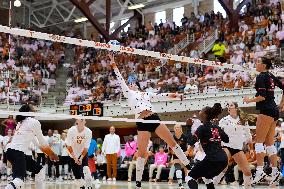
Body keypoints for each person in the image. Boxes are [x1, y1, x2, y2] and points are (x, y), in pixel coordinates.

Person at [109, 54, 191, 189]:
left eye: (133, 83)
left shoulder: (146, 93)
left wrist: (176, 96)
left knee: (172, 142)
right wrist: (114, 65)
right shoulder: (128, 93)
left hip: (153, 117)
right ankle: (138, 182)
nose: (131, 84)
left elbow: (161, 96)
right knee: (141, 153)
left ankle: (188, 165)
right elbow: (121, 80)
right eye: (130, 84)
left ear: (137, 85)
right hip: (142, 122)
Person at [243, 57, 284, 186]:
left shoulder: (261, 76)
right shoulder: (271, 75)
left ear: (264, 65)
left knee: (259, 142)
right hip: (274, 111)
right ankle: (275, 171)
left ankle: (260, 171)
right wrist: (282, 104)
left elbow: (262, 96)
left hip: (266, 110)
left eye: (259, 62)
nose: (256, 63)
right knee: (269, 143)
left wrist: (249, 100)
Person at [5, 104, 58, 189]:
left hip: (11, 152)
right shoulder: (34, 122)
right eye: (33, 108)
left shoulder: (21, 122)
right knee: (19, 181)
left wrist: (48, 153)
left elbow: (36, 142)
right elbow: (42, 141)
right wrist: (51, 154)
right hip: (17, 153)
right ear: (28, 111)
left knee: (40, 170)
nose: (35, 109)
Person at [186, 103, 229, 189]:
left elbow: (191, 141)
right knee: (207, 178)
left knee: (190, 177)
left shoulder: (202, 128)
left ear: (204, 114)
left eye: (201, 110)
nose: (199, 112)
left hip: (212, 160)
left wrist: (188, 127)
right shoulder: (217, 127)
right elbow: (226, 139)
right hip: (223, 160)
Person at [212, 102, 253, 188]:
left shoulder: (243, 120)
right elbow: (217, 133)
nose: (229, 107)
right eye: (228, 106)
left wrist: (251, 148)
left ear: (236, 108)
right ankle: (212, 185)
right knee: (224, 166)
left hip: (237, 148)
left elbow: (248, 135)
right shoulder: (224, 120)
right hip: (226, 146)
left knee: (247, 171)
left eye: (231, 105)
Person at [66, 119, 93, 189]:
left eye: (83, 120)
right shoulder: (71, 130)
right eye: (80, 119)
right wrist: (75, 158)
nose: (81, 121)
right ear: (76, 121)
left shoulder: (88, 132)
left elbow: (86, 148)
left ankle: (89, 185)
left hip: (82, 152)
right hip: (72, 154)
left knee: (85, 169)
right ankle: (81, 186)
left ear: (85, 122)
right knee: (77, 176)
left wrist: (81, 158)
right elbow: (68, 146)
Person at [171, 124, 189, 189]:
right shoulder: (172, 138)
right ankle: (180, 184)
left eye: (178, 127)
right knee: (178, 169)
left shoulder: (185, 137)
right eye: (175, 127)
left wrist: (187, 151)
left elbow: (189, 146)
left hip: (184, 156)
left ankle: (189, 182)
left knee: (187, 169)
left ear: (181, 128)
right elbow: (171, 150)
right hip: (176, 155)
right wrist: (176, 153)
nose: (176, 128)